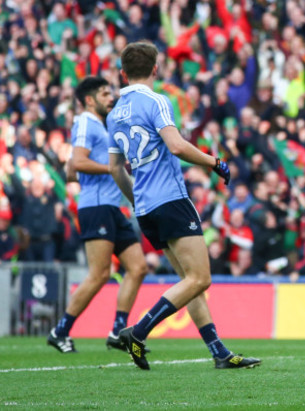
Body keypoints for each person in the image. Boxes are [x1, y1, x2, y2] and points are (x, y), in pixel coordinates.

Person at [107, 42, 260, 370]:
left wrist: (135, 199)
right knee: (200, 279)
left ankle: (218, 352)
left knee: (188, 282)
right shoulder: (157, 100)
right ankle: (139, 331)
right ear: (155, 69)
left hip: (146, 208)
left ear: (122, 72)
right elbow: (176, 146)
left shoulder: (114, 112)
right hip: (171, 200)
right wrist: (214, 162)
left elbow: (115, 167)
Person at [47, 76, 148, 354]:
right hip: (96, 207)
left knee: (138, 267)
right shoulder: (85, 121)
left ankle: (118, 331)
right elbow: (78, 162)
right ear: (89, 100)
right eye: (104, 94)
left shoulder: (99, 126)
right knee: (100, 274)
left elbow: (71, 169)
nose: (110, 97)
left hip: (112, 208)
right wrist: (113, 168)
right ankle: (60, 331)